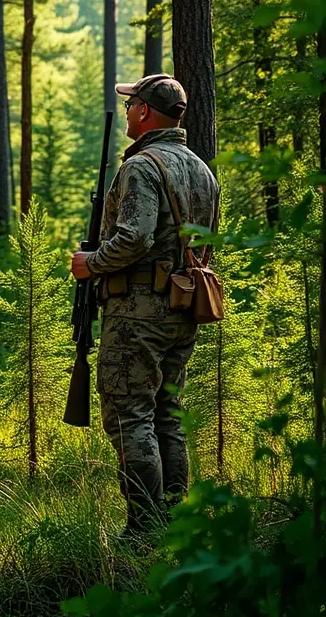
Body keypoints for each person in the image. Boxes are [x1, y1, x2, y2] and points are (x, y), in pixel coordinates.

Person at [71, 74, 219, 532]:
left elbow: (133, 237)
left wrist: (91, 263)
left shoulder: (141, 166)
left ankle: (144, 529)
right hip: (181, 307)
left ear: (143, 112)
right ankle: (175, 524)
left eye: (133, 102)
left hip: (137, 312)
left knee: (130, 415)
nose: (129, 110)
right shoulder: (201, 169)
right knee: (167, 416)